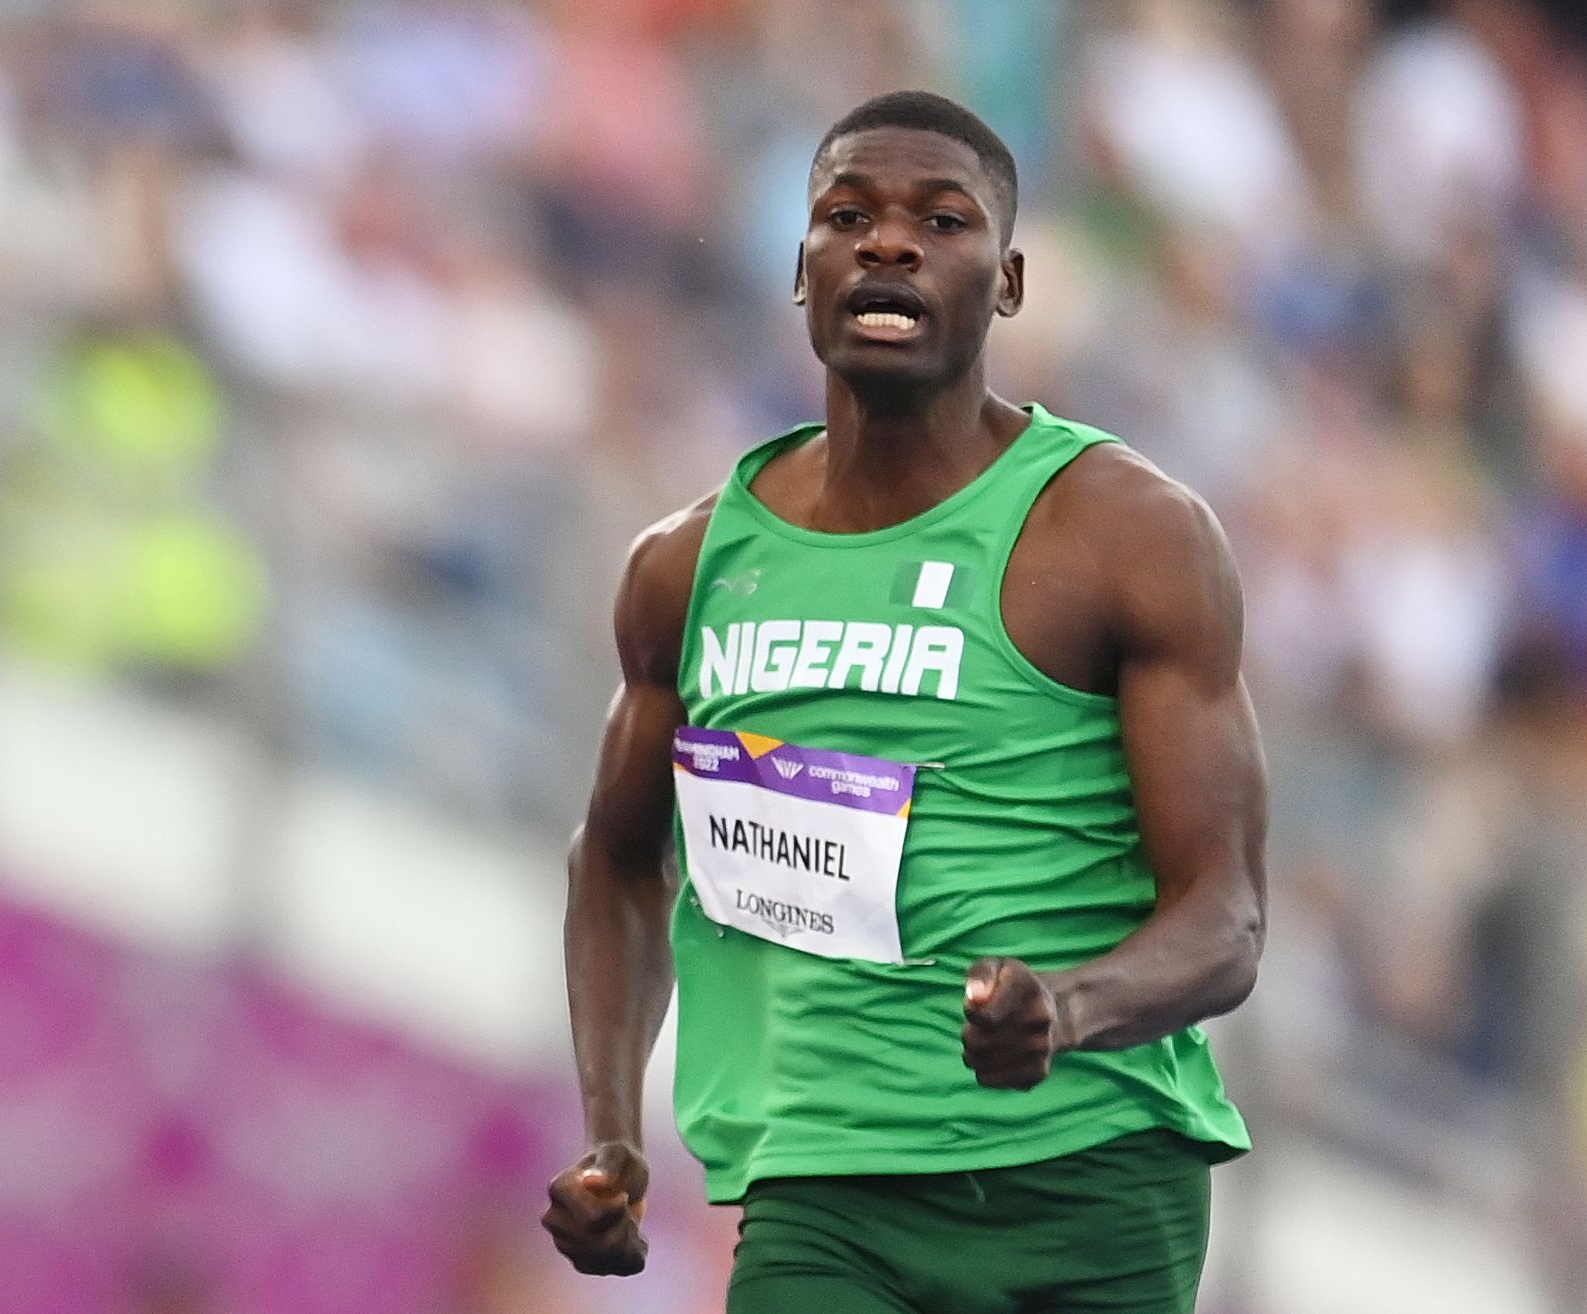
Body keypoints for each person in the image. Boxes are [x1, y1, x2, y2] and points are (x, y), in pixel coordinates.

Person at [541, 90, 1267, 1314]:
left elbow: (1227, 917)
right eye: (846, 216)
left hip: (1086, 1184)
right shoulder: (688, 567)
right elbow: (615, 861)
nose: (888, 244)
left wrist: (1069, 1009)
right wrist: (614, 1126)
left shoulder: (1122, 537)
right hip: (823, 1194)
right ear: (800, 269)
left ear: (1010, 281)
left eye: (942, 219)